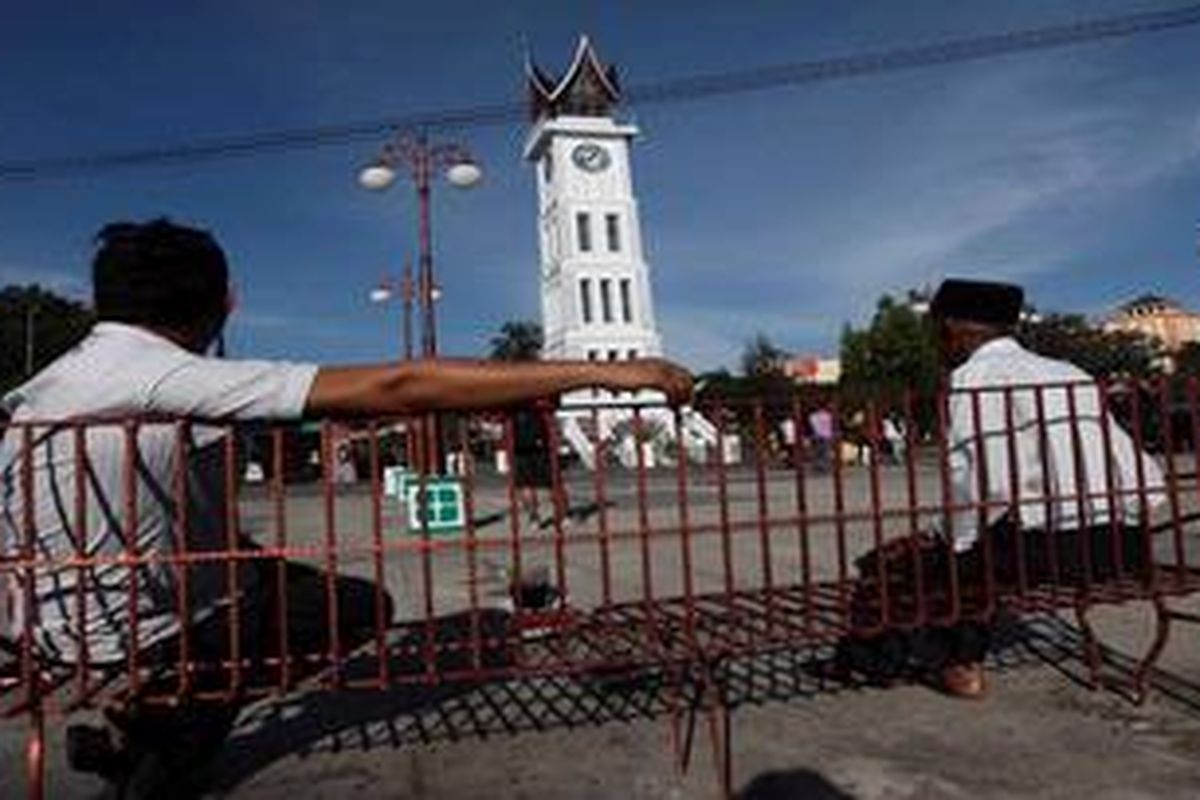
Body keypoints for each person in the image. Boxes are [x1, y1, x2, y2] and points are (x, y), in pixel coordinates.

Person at [0, 219, 692, 797]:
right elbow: (399, 384)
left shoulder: (54, 383)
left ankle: (155, 726)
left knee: (275, 582)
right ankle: (163, 734)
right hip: (140, 634)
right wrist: (605, 370)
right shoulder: (163, 373)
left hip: (46, 624)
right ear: (220, 304)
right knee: (356, 610)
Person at [908, 279, 1164, 698]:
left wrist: (949, 537)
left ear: (953, 329)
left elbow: (986, 482)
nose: (938, 346)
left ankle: (960, 662)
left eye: (938, 333)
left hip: (1044, 551)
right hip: (1120, 544)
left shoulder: (974, 376)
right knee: (966, 543)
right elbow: (1135, 465)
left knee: (934, 560)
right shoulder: (1070, 372)